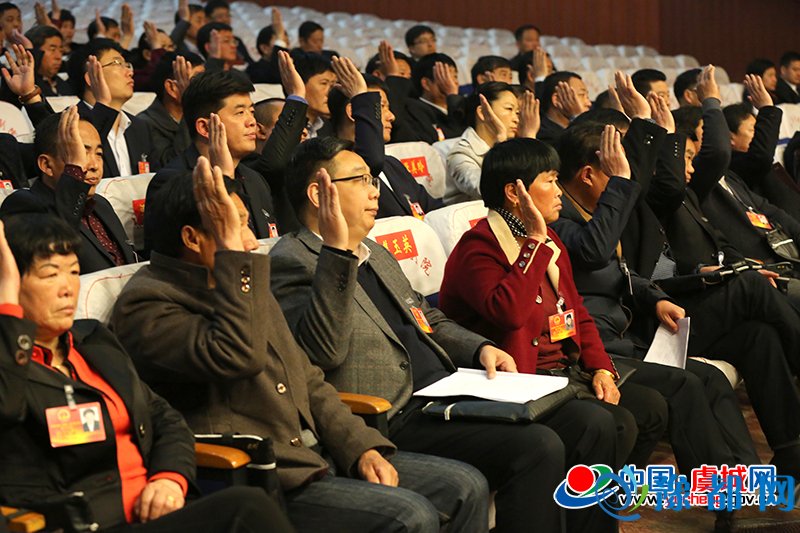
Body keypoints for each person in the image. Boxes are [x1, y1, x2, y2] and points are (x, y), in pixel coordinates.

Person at [110, 158, 490, 533]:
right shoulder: (147, 304)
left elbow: (307, 378)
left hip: (319, 453)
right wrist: (234, 261)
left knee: (464, 486)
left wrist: (360, 447)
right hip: (263, 476)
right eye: (236, 225)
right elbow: (238, 355)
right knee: (409, 515)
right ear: (192, 238)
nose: (250, 240)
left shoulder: (240, 281)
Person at [269, 136, 621, 533]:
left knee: (590, 421)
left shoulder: (374, 251)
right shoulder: (292, 261)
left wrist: (480, 348)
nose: (374, 191)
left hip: (447, 389)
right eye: (360, 180)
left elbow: (428, 317)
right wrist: (337, 254)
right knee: (537, 446)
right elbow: (322, 353)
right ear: (319, 193)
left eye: (373, 179)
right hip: (391, 413)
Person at [0, 214, 293, 532]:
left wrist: (169, 478)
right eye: (50, 274)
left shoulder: (93, 343)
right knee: (247, 509)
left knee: (249, 504)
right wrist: (8, 314)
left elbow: (165, 419)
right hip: (87, 523)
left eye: (73, 272)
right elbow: (6, 409)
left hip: (155, 513)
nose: (67, 288)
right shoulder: (9, 371)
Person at [439, 134, 669, 470]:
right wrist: (534, 243)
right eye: (549, 181)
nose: (560, 191)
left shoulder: (551, 238)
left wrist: (601, 368)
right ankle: (579, 497)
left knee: (651, 408)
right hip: (523, 379)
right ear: (514, 193)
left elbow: (577, 313)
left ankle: (607, 494)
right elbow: (509, 313)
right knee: (608, 423)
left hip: (566, 371)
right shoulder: (478, 248)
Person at [145, 69, 281, 250]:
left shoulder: (255, 179)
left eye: (251, 111)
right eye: (240, 113)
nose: (251, 122)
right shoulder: (171, 182)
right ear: (205, 127)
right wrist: (224, 178)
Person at [0, 108, 136, 273]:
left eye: (99, 154)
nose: (94, 165)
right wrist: (75, 170)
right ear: (47, 165)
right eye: (79, 153)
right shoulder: (22, 204)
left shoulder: (101, 204)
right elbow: (57, 245)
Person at [326, 57, 442, 218]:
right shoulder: (335, 170)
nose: (392, 116)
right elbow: (370, 162)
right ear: (353, 112)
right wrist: (361, 97)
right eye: (381, 107)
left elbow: (434, 209)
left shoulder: (393, 164)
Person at [66, 38, 158, 178]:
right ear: (91, 77)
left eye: (127, 65)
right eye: (117, 63)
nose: (129, 72)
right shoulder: (71, 124)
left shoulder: (140, 128)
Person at [445, 81, 539, 204]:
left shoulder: (513, 145)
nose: (516, 119)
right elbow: (491, 191)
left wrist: (529, 138)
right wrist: (501, 140)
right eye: (509, 109)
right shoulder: (460, 155)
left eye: (517, 112)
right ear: (482, 112)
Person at [137, 51, 204, 166]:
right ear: (172, 88)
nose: (205, 85)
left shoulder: (207, 113)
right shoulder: (144, 124)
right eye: (196, 79)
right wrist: (189, 102)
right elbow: (172, 165)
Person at [391, 52, 467, 143]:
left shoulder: (462, 106)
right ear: (426, 84)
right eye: (446, 77)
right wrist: (452, 96)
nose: (454, 82)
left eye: (455, 77)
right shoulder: (414, 110)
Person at [537, 71, 591, 145]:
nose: (589, 103)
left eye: (587, 96)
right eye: (581, 95)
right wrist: (577, 116)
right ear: (556, 99)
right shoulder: (544, 135)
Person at [292, 51, 336, 138]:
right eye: (324, 83)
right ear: (300, 83)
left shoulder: (330, 128)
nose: (330, 92)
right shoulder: (285, 124)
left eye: (333, 85)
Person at [24, 25, 71, 96]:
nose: (58, 57)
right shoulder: (26, 85)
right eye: (52, 50)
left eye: (61, 51)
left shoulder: (64, 85)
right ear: (36, 52)